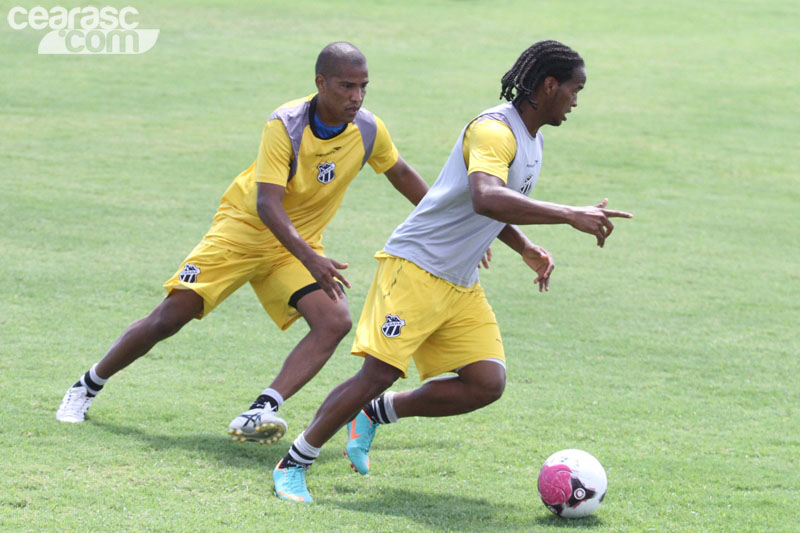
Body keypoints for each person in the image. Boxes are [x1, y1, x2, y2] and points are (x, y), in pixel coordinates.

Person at [271, 40, 633, 503]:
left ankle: (377, 414)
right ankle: (294, 461)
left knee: (486, 382)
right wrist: (568, 214)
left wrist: (523, 246)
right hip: (416, 267)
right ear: (549, 85)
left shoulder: (533, 139)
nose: (576, 101)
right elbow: (486, 195)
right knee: (377, 372)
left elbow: (489, 205)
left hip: (459, 281)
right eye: (574, 90)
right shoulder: (494, 130)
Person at [55, 42, 430, 447]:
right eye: (346, 86)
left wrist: (448, 226)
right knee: (170, 317)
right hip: (242, 233)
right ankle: (88, 385)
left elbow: (403, 175)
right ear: (320, 83)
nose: (356, 97)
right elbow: (267, 204)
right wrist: (312, 259)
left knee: (334, 320)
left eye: (363, 86)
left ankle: (263, 408)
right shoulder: (285, 124)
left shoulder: (369, 129)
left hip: (293, 247)